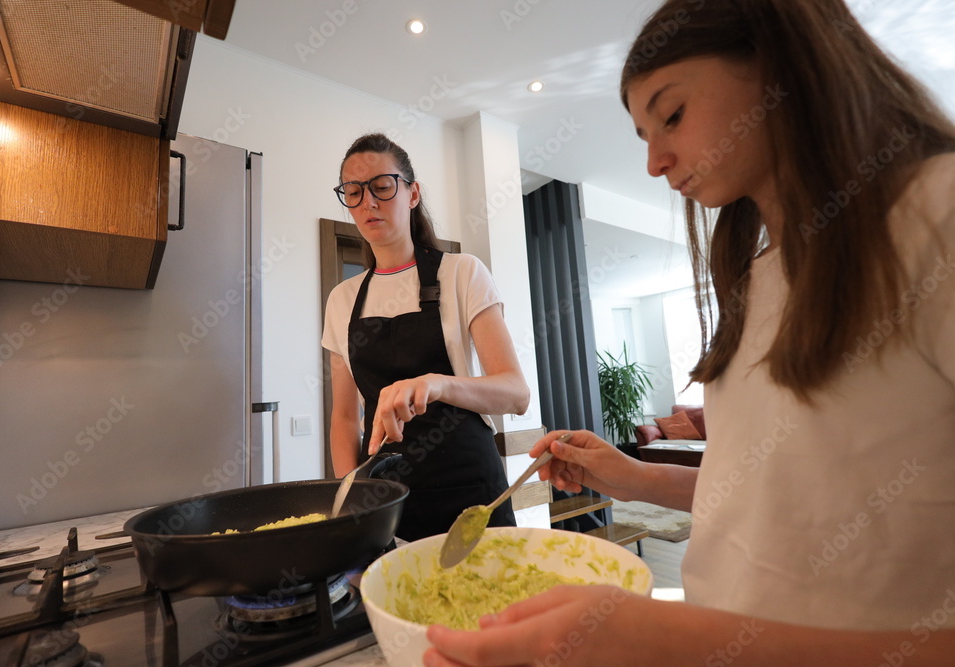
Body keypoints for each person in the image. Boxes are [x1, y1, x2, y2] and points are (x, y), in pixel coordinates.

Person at [424, 0, 955, 664]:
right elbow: (772, 493)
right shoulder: (758, 279)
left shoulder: (936, 214)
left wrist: (667, 638)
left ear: (781, 65)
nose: (654, 162)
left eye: (670, 115)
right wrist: (633, 476)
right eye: (643, 135)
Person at [322, 133, 530, 542]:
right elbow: (345, 418)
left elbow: (516, 394)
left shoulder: (462, 273)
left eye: (382, 186)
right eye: (353, 191)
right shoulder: (341, 300)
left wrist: (435, 384)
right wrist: (350, 498)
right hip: (386, 497)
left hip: (470, 488)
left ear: (412, 193)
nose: (368, 202)